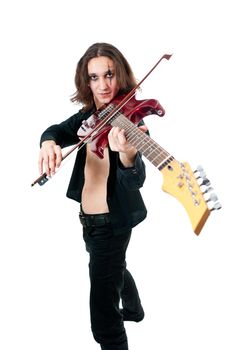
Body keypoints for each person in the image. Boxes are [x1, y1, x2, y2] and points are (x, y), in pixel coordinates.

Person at [38, 42, 148, 350]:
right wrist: (48, 143)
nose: (103, 85)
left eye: (109, 74)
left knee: (103, 318)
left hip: (113, 225)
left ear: (120, 75)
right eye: (94, 77)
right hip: (88, 222)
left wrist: (127, 155)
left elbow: (136, 179)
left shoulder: (133, 123)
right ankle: (136, 310)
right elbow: (56, 130)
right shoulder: (87, 117)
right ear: (86, 82)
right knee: (114, 268)